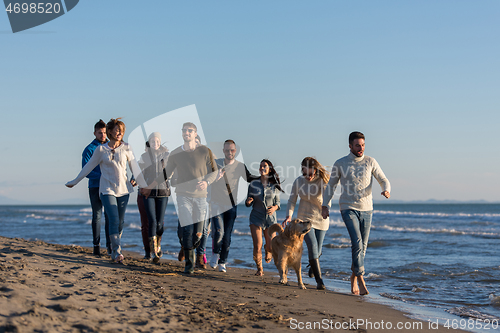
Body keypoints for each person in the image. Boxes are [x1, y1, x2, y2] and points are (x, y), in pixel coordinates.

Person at [142, 122, 217, 274]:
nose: (187, 133)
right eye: (184, 130)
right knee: (188, 229)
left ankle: (189, 247)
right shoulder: (176, 153)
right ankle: (189, 264)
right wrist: (151, 186)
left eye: (190, 131)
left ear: (195, 134)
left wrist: (207, 181)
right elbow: (166, 173)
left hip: (201, 197)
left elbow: (214, 171)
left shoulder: (205, 151)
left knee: (200, 232)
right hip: (183, 196)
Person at [321, 131, 391, 295]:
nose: (361, 148)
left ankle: (353, 276)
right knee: (357, 242)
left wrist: (386, 190)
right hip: (348, 207)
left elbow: (383, 179)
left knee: (363, 247)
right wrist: (325, 205)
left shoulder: (370, 161)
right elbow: (331, 186)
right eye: (358, 145)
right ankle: (360, 278)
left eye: (363, 145)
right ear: (350, 146)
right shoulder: (340, 163)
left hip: (367, 209)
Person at [66, 118, 143, 263]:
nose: (119, 132)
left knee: (120, 222)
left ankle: (113, 248)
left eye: (121, 130)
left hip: (124, 189)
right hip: (106, 189)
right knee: (112, 218)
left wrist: (140, 181)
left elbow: (135, 166)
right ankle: (116, 251)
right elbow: (88, 167)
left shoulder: (127, 147)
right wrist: (75, 181)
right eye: (117, 130)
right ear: (110, 132)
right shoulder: (100, 149)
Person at [209, 140, 258, 272]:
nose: (229, 152)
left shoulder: (240, 166)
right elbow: (207, 179)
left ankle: (222, 262)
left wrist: (264, 177)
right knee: (219, 232)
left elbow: (249, 178)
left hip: (231, 205)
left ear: (235, 151)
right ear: (223, 151)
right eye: (227, 150)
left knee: (227, 236)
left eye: (232, 150)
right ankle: (215, 254)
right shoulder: (217, 163)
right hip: (216, 204)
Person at [284, 157, 330, 290]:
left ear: (315, 171)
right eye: (305, 174)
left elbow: (328, 196)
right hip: (304, 220)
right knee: (312, 246)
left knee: (318, 250)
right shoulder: (298, 181)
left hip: (321, 218)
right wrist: (289, 215)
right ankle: (319, 281)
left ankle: (313, 266)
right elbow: (292, 200)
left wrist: (326, 207)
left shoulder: (322, 181)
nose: (308, 177)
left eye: (310, 174)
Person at [245, 159, 283, 276]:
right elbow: (248, 202)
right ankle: (259, 269)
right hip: (256, 217)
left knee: (271, 246)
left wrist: (274, 208)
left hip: (270, 219)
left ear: (269, 169)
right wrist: (248, 201)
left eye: (264, 166)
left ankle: (268, 250)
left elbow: (278, 203)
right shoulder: (253, 184)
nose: (262, 168)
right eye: (260, 166)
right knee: (257, 245)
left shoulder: (274, 185)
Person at [138, 132, 171, 263]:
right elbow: (139, 171)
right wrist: (135, 181)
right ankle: (154, 252)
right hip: (148, 193)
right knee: (151, 221)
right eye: (152, 142)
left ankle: (157, 243)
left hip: (163, 192)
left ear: (160, 142)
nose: (155, 144)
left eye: (157, 141)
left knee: (159, 224)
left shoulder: (166, 155)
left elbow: (169, 171)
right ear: (149, 143)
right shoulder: (144, 156)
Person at [82, 119, 110, 256]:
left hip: (110, 188)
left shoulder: (111, 147)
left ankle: (110, 246)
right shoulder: (89, 149)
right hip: (95, 187)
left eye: (104, 132)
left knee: (110, 216)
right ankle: (96, 246)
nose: (102, 135)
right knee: (97, 216)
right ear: (94, 133)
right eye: (100, 133)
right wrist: (102, 176)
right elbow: (86, 171)